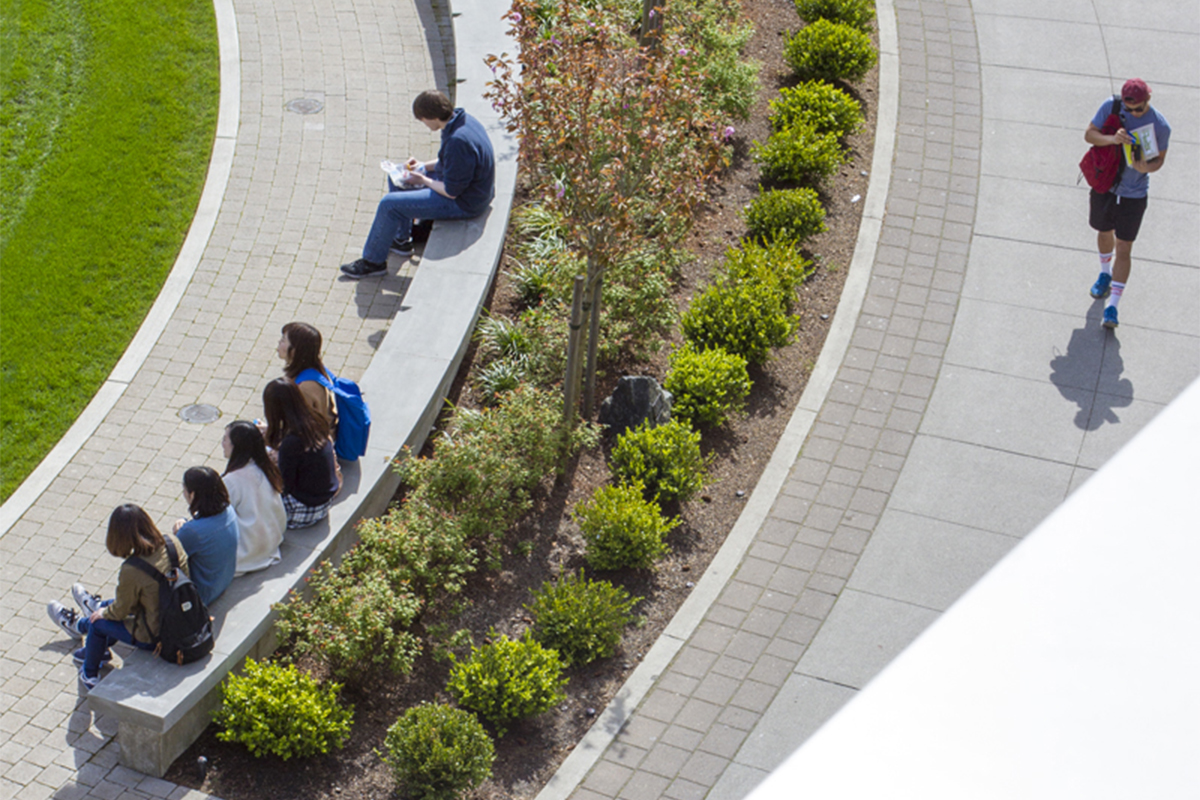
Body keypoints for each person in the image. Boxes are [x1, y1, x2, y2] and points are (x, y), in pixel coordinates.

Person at [341, 90, 495, 279]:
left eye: (423, 120)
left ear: (432, 117)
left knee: (389, 204)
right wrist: (422, 167)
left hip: (466, 202)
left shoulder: (457, 141)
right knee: (397, 177)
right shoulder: (462, 121)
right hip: (466, 188)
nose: (424, 124)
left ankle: (373, 262)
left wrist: (423, 180)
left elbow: (451, 191)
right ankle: (401, 240)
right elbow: (450, 163)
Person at [46, 505, 188, 690]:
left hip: (155, 635)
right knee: (104, 609)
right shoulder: (172, 542)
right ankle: (86, 628)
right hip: (182, 618)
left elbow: (120, 611)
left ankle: (89, 672)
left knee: (98, 623)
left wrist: (103, 613)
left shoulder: (132, 569)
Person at [1085, 78, 1170, 329]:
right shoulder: (1111, 106)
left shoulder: (1159, 125)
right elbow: (1089, 134)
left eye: (1139, 109)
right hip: (1106, 185)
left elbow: (1159, 160)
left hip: (1134, 193)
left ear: (1148, 100)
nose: (1133, 113)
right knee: (1103, 231)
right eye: (1129, 109)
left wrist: (1147, 166)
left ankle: (1112, 307)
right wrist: (1112, 139)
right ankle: (1104, 273)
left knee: (1124, 246)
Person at [262, 378, 340, 528]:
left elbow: (284, 486)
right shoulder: (314, 422)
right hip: (324, 499)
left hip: (305, 509)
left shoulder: (291, 443)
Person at [222, 421, 286, 575]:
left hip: (247, 554)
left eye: (225, 440)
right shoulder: (266, 468)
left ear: (236, 446)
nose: (222, 444)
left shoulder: (231, 481)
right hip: (271, 541)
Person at [172, 466, 239, 605]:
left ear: (193, 495)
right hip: (223, 582)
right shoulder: (229, 510)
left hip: (201, 595)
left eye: (184, 489)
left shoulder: (192, 532)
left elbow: (172, 558)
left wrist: (179, 530)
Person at [277, 322, 337, 433]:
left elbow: (300, 429)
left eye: (283, 340)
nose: (279, 342)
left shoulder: (305, 387)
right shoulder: (313, 371)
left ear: (295, 351)